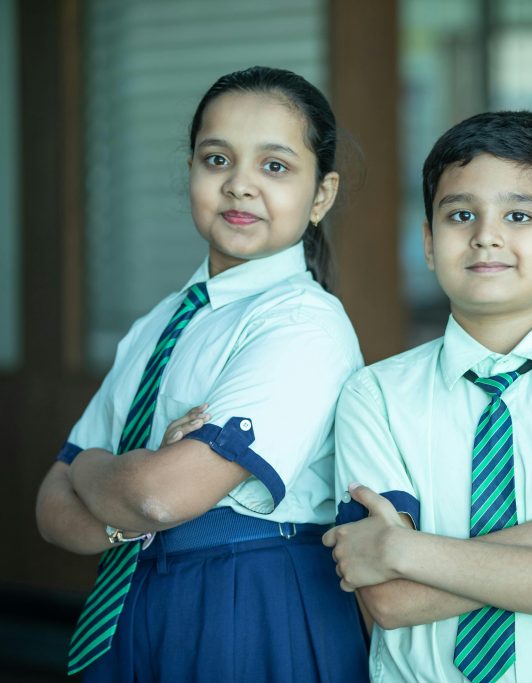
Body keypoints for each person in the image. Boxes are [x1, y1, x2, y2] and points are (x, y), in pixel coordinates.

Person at [35, 66, 369, 682]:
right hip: (133, 601)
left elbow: (160, 495)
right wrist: (124, 497)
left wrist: (94, 469)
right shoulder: (157, 323)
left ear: (320, 195)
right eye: (217, 160)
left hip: (249, 605)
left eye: (274, 167)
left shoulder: (304, 326)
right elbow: (51, 509)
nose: (240, 186)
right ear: (191, 172)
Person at [321, 110, 532, 682]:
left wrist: (402, 551)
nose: (487, 234)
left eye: (518, 214)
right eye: (461, 215)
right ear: (429, 244)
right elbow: (390, 602)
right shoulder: (376, 395)